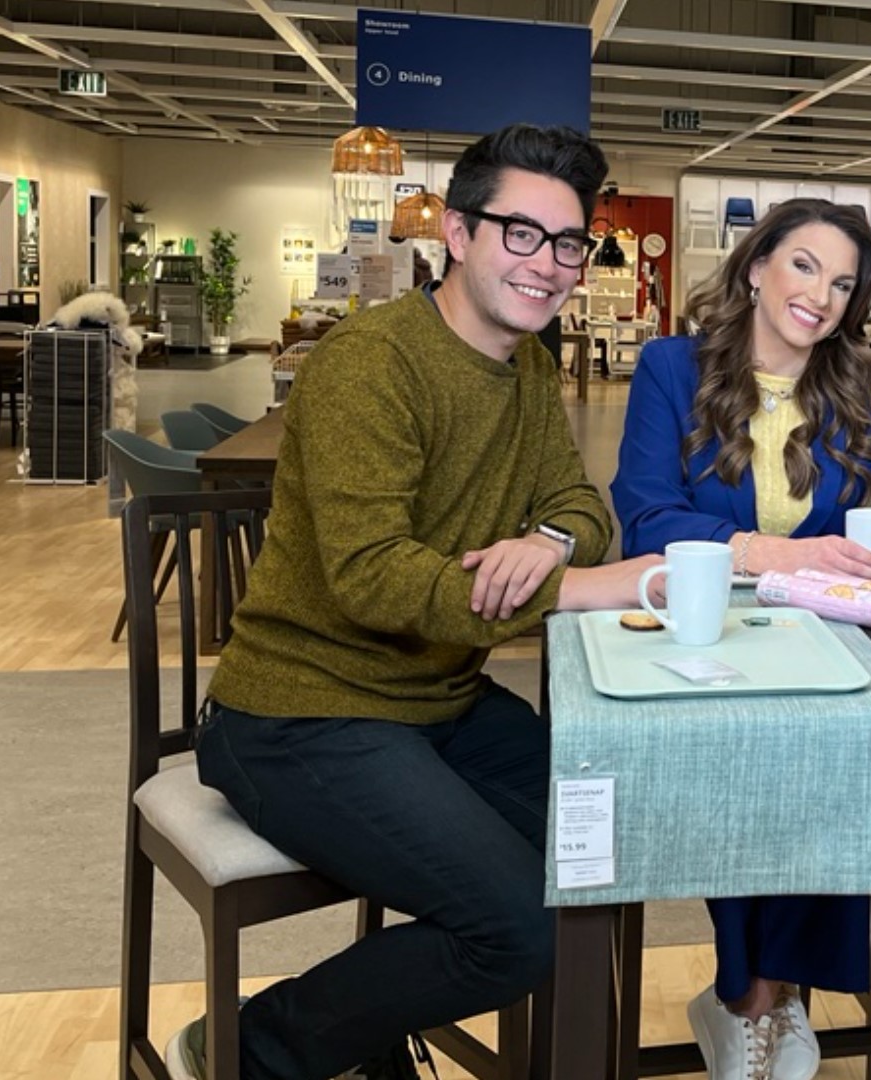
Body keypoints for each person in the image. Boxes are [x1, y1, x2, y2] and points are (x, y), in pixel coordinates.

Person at [171, 124, 663, 1080]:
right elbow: (374, 575)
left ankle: (377, 1023)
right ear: (457, 231)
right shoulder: (372, 362)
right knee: (516, 924)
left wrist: (548, 542)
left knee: (608, 835)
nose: (551, 265)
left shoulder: (526, 365)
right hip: (296, 713)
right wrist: (571, 591)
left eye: (570, 243)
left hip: (436, 705)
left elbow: (578, 502)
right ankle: (255, 1047)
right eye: (522, 234)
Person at [610, 198, 871, 1080]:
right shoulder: (672, 368)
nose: (822, 294)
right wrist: (786, 550)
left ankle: (763, 995)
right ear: (755, 268)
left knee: (839, 758)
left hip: (829, 653)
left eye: (844, 282)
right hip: (710, 640)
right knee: (747, 768)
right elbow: (646, 518)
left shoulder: (868, 393)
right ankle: (751, 999)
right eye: (805, 266)